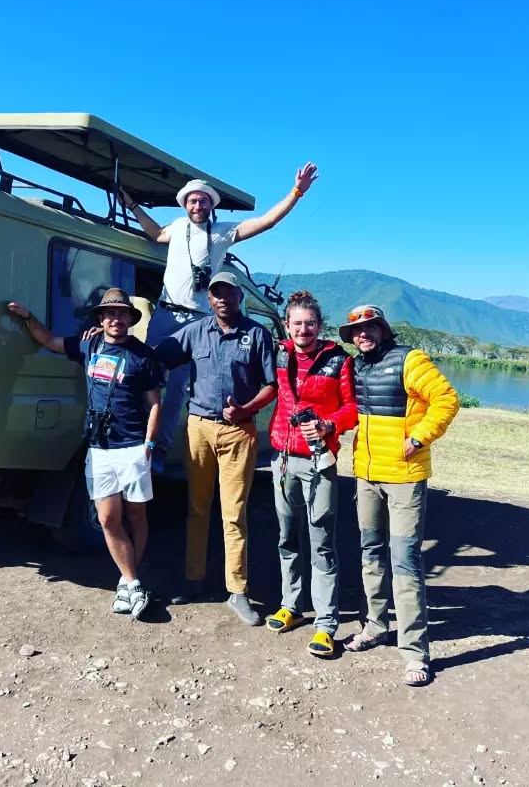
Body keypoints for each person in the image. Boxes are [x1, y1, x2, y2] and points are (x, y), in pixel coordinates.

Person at [120, 164, 318, 469]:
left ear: (211, 205)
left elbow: (267, 221)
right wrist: (132, 205)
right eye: (192, 200)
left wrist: (297, 192)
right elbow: (156, 233)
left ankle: (158, 451)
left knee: (177, 388)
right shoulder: (177, 227)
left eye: (203, 200)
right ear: (185, 205)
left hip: (198, 319)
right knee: (145, 375)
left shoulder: (223, 232)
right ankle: (135, 439)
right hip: (166, 312)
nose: (197, 205)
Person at [7, 289, 163, 619]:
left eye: (122, 313)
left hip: (132, 446)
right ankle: (132, 581)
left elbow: (154, 404)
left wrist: (149, 444)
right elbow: (48, 341)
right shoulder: (88, 345)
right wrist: (27, 317)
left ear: (129, 318)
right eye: (110, 313)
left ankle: (128, 580)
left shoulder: (143, 355)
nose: (116, 319)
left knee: (136, 516)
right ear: (101, 319)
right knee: (107, 518)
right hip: (99, 448)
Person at [340, 304, 459, 686]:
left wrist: (419, 437)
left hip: (405, 477)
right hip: (366, 476)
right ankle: (375, 626)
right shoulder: (356, 367)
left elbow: (446, 399)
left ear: (383, 329)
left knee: (405, 561)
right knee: (370, 554)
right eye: (357, 330)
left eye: (370, 327)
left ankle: (415, 653)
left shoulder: (410, 360)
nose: (363, 334)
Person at [153, 271, 278, 625]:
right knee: (197, 508)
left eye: (228, 293)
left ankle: (237, 591)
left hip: (239, 432)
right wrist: (109, 340)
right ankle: (193, 581)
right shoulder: (195, 332)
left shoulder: (257, 334)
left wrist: (246, 409)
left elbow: (272, 385)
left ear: (240, 297)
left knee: (234, 514)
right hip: (199, 430)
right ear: (209, 299)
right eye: (216, 293)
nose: (222, 298)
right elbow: (157, 357)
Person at [264, 291, 358, 658]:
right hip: (283, 458)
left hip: (320, 461)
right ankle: (290, 605)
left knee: (321, 541)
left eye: (311, 323)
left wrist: (328, 424)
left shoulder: (338, 360)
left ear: (320, 326)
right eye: (298, 323)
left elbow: (351, 409)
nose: (304, 329)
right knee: (286, 536)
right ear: (287, 325)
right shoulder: (279, 354)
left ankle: (326, 623)